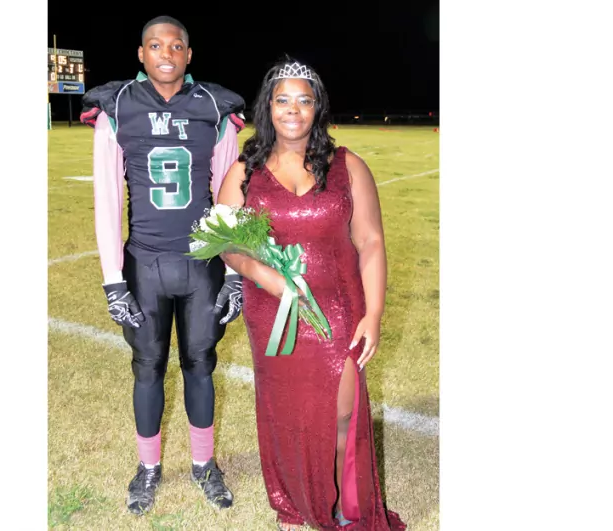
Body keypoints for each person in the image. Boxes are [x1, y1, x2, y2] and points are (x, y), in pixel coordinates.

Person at [216, 58, 406, 530]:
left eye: (304, 100)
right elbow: (226, 243)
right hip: (273, 314)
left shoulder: (348, 166)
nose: (293, 110)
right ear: (268, 107)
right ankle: (293, 504)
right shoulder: (244, 171)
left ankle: (342, 505)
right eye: (283, 100)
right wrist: (264, 275)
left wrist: (374, 313)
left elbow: (371, 241)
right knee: (285, 413)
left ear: (317, 107)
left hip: (338, 309)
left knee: (342, 414)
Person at [78, 15, 246, 515]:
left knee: (201, 364)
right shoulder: (118, 107)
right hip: (144, 264)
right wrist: (113, 280)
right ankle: (148, 467)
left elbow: (229, 196)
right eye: (155, 45)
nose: (166, 53)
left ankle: (203, 464)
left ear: (188, 55)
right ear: (141, 53)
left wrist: (234, 271)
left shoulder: (214, 107)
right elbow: (108, 199)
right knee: (147, 366)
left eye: (175, 46)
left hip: (202, 264)